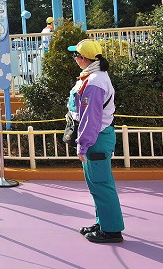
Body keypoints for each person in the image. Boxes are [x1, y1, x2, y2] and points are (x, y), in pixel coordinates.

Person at [68, 39, 124, 244]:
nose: (74, 59)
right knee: (97, 185)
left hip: (96, 138)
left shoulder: (94, 82)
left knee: (101, 184)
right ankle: (104, 223)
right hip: (97, 137)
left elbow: (91, 117)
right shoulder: (94, 76)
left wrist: (83, 145)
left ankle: (112, 230)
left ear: (83, 58)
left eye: (75, 55)